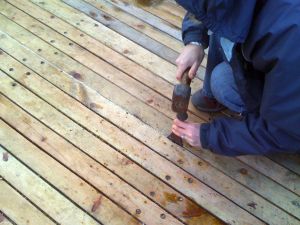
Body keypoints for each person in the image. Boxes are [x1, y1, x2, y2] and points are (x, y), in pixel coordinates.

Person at [170, 0, 300, 155]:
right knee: (222, 29)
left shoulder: (291, 43)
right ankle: (210, 96)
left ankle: (252, 118)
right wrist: (194, 41)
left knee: (222, 83)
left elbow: (284, 133)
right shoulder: (234, 5)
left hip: (292, 123)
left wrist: (208, 136)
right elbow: (208, 8)